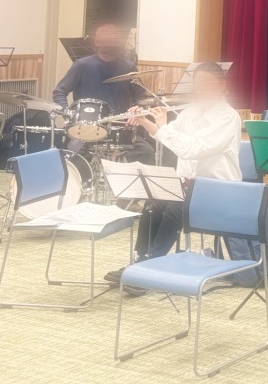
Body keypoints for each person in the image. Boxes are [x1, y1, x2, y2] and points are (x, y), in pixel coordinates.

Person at [115, 62, 241, 276]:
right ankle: (140, 258)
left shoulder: (228, 117)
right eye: (198, 84)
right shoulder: (191, 111)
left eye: (208, 83)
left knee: (175, 206)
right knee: (155, 199)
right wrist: (144, 121)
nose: (202, 89)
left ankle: (152, 265)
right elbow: (166, 135)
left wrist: (163, 126)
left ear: (222, 85)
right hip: (189, 187)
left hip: (219, 190)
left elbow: (191, 149)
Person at [53, 20, 154, 164]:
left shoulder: (129, 67)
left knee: (147, 152)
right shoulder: (81, 65)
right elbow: (59, 92)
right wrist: (68, 112)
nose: (109, 43)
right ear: (97, 42)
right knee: (73, 154)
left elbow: (141, 98)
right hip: (86, 128)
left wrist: (137, 112)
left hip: (120, 129)